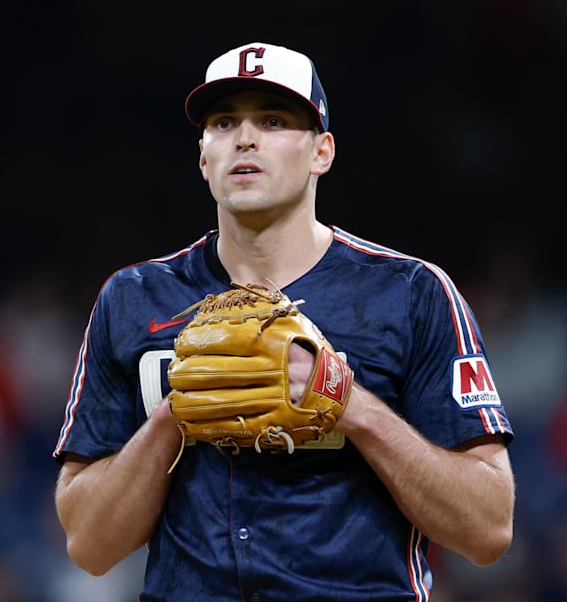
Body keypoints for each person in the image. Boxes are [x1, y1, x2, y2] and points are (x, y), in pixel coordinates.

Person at [53, 41, 516, 601]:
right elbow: (88, 545)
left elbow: (488, 528)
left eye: (273, 120)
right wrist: (175, 415)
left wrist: (350, 405)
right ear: (203, 157)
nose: (244, 138)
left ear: (322, 152)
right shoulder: (133, 298)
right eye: (223, 123)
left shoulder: (411, 294)